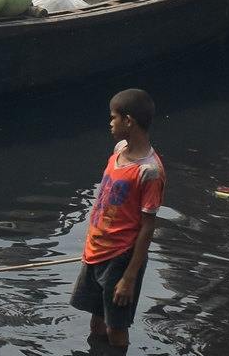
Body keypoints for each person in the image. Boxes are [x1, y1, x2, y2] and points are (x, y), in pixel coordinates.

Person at [74, 89, 165, 351]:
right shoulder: (119, 150)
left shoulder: (150, 171)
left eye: (114, 117)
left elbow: (148, 225)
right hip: (97, 250)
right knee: (97, 321)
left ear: (129, 121)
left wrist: (129, 277)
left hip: (121, 256)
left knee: (116, 327)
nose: (110, 123)